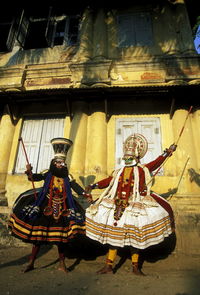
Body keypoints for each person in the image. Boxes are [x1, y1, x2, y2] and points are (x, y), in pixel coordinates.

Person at [85, 133, 177, 275]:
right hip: (116, 205)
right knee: (113, 236)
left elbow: (156, 163)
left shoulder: (142, 169)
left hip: (135, 205)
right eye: (125, 157)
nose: (127, 159)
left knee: (135, 238)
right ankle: (109, 266)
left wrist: (167, 153)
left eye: (130, 157)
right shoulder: (118, 171)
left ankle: (135, 267)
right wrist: (93, 185)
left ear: (136, 157)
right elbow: (108, 181)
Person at [8, 137, 91, 273]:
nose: (60, 165)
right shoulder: (48, 173)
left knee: (61, 239)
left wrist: (86, 194)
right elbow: (34, 178)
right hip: (45, 206)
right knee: (38, 238)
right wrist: (29, 171)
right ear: (53, 162)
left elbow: (76, 187)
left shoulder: (67, 177)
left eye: (62, 163)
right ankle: (31, 262)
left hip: (64, 207)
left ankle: (62, 264)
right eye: (58, 162)